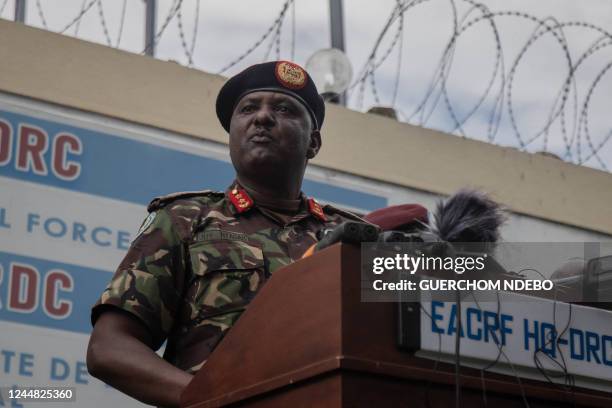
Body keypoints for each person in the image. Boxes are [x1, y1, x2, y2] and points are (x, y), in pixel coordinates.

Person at [86, 60, 363, 407]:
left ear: (313, 143)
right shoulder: (185, 219)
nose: (262, 117)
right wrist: (218, 400)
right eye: (248, 109)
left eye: (284, 109)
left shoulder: (351, 237)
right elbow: (108, 347)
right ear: (232, 133)